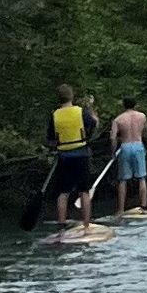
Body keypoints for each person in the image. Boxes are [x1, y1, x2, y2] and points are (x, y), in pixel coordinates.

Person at [47, 84, 98, 231]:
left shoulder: (54, 115)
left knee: (63, 193)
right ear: (72, 96)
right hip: (81, 154)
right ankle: (86, 225)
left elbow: (50, 139)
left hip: (64, 156)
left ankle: (61, 225)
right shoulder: (81, 112)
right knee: (84, 191)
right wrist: (92, 112)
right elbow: (93, 124)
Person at [111, 97, 147, 215]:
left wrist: (113, 152)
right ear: (135, 104)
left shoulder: (118, 119)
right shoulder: (142, 116)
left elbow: (112, 138)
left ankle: (121, 209)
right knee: (141, 178)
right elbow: (145, 131)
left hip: (125, 147)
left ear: (123, 105)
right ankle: (144, 206)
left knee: (123, 179)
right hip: (138, 145)